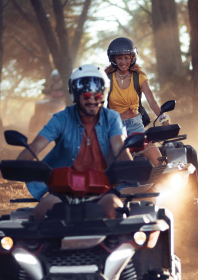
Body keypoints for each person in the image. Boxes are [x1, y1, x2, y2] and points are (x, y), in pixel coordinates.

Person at [17, 64, 133, 220]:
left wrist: (130, 167)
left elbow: (119, 147)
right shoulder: (61, 118)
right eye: (86, 95)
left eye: (97, 95)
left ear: (103, 95)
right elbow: (36, 146)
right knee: (37, 217)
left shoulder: (112, 118)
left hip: (103, 189)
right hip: (62, 190)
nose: (92, 100)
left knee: (118, 214)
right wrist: (20, 164)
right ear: (76, 95)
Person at [105, 37, 169, 167]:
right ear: (113, 59)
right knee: (109, 162)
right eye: (119, 58)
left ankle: (161, 184)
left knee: (160, 162)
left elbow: (152, 101)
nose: (123, 62)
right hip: (114, 127)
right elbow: (98, 104)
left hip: (135, 125)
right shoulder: (107, 79)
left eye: (126, 58)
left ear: (132, 58)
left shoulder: (139, 78)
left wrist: (163, 118)